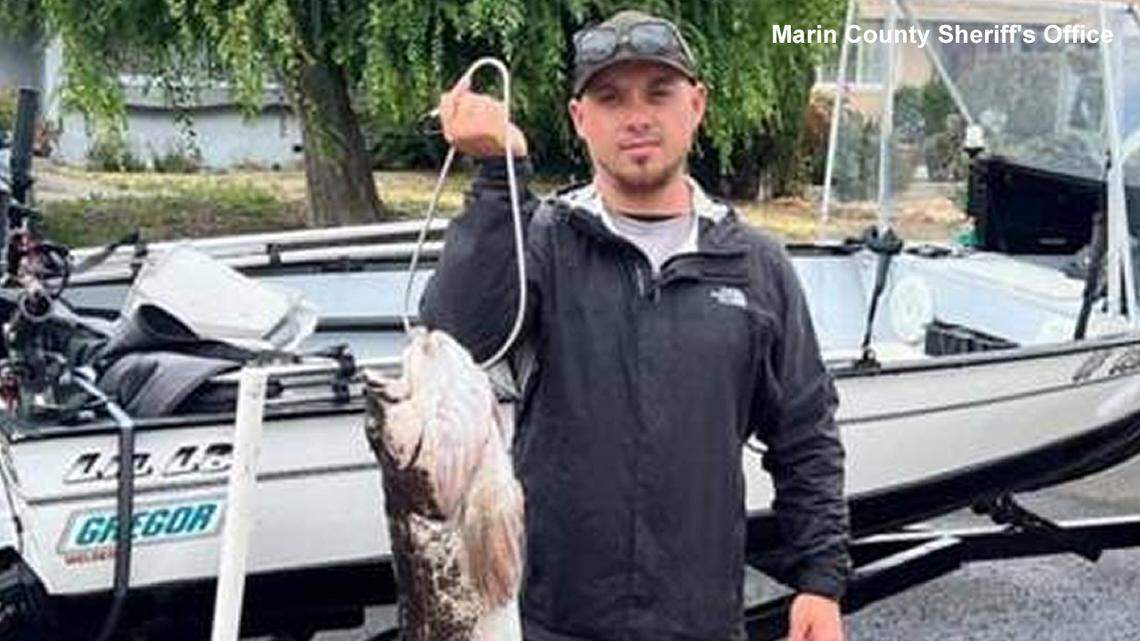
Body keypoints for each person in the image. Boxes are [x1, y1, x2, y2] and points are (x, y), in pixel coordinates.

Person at [420, 9, 849, 641]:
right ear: (579, 119)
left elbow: (804, 432)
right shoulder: (541, 244)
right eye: (611, 98)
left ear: (696, 105)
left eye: (659, 92)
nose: (637, 116)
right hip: (555, 620)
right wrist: (499, 175)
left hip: (699, 622)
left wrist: (820, 580)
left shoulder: (756, 265)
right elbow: (453, 340)